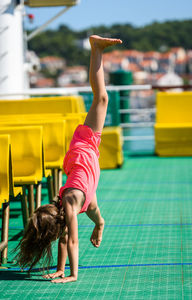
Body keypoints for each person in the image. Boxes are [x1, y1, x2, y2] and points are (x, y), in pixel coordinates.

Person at [15, 35, 122, 283]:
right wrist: (61, 269)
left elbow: (72, 240)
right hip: (87, 182)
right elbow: (64, 238)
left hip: (84, 149)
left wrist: (73, 275)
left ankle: (96, 48)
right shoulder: (66, 211)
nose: (59, 235)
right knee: (94, 212)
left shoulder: (70, 204)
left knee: (101, 99)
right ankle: (101, 224)